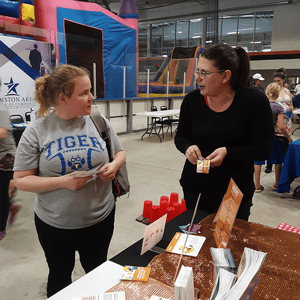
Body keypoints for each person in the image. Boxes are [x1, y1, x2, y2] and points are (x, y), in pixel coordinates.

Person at [13, 64, 126, 297]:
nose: (92, 97)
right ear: (63, 98)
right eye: (84, 93)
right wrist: (63, 182)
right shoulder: (37, 131)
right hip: (55, 225)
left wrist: (113, 167)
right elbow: (21, 180)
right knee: (59, 276)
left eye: (90, 90)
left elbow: (120, 153)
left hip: (99, 219)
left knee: (97, 272)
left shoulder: (98, 120)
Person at [174, 43, 274, 221]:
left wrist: (228, 152)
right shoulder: (192, 101)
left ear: (226, 76)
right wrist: (187, 148)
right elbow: (181, 137)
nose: (197, 78)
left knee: (227, 244)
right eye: (197, 71)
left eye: (204, 73)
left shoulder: (254, 101)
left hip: (234, 191)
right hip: (196, 187)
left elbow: (264, 149)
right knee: (197, 238)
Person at [254, 83, 293, 192]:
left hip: (258, 136)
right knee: (277, 160)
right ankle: (276, 184)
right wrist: (288, 137)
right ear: (278, 95)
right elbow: (281, 126)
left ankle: (256, 185)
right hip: (272, 137)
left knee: (257, 161)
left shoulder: (260, 104)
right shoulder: (279, 107)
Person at [0, 79, 18, 241]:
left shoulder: (0, 108)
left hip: (6, 157)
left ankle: (1, 229)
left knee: (2, 194)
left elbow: (1, 133)